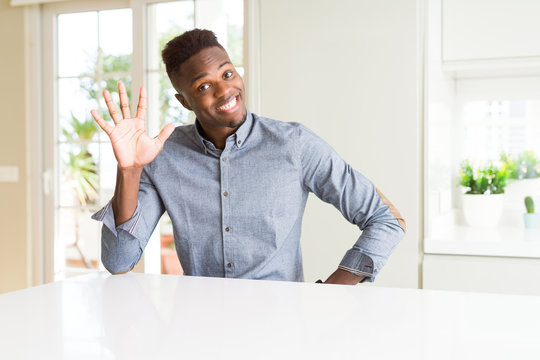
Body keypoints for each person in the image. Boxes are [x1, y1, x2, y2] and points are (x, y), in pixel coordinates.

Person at [91, 29, 406, 285]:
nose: (225, 90)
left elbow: (386, 220)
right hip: (199, 330)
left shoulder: (294, 144)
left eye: (227, 73)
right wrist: (129, 171)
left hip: (281, 331)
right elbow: (119, 262)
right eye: (204, 86)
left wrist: (335, 290)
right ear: (184, 101)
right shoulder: (163, 155)